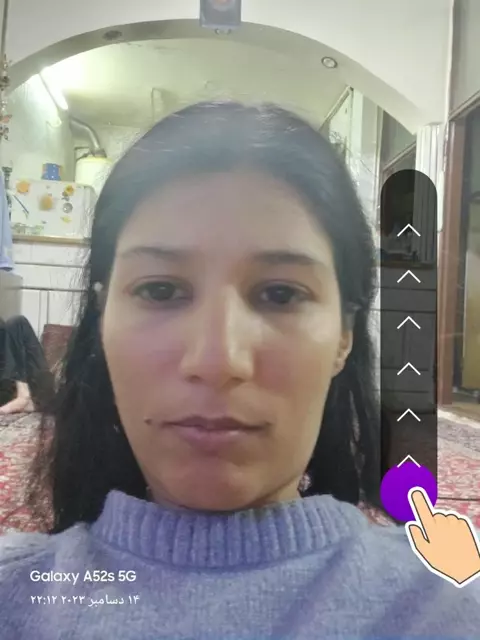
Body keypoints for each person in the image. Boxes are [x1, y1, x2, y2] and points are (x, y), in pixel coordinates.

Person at [0, 101, 478, 638]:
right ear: (102, 318)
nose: (217, 361)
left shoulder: (450, 602)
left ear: (345, 334)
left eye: (280, 294)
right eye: (160, 289)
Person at [0, 315, 54, 414]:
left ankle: (24, 394)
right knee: (16, 323)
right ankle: (25, 398)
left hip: (36, 389)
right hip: (8, 392)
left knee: (16, 323)